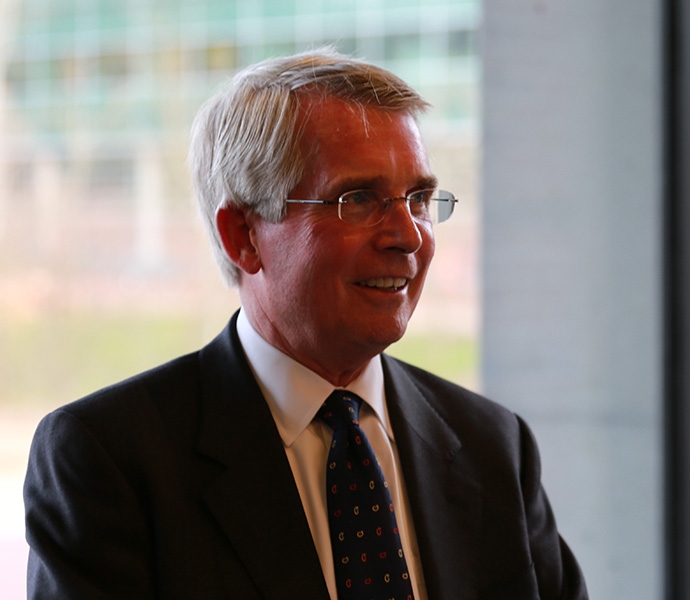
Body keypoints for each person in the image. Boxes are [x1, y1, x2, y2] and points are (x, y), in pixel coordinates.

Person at [24, 49, 587, 599]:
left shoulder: (493, 448)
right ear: (243, 235)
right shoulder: (111, 459)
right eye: (359, 199)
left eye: (418, 198)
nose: (409, 235)